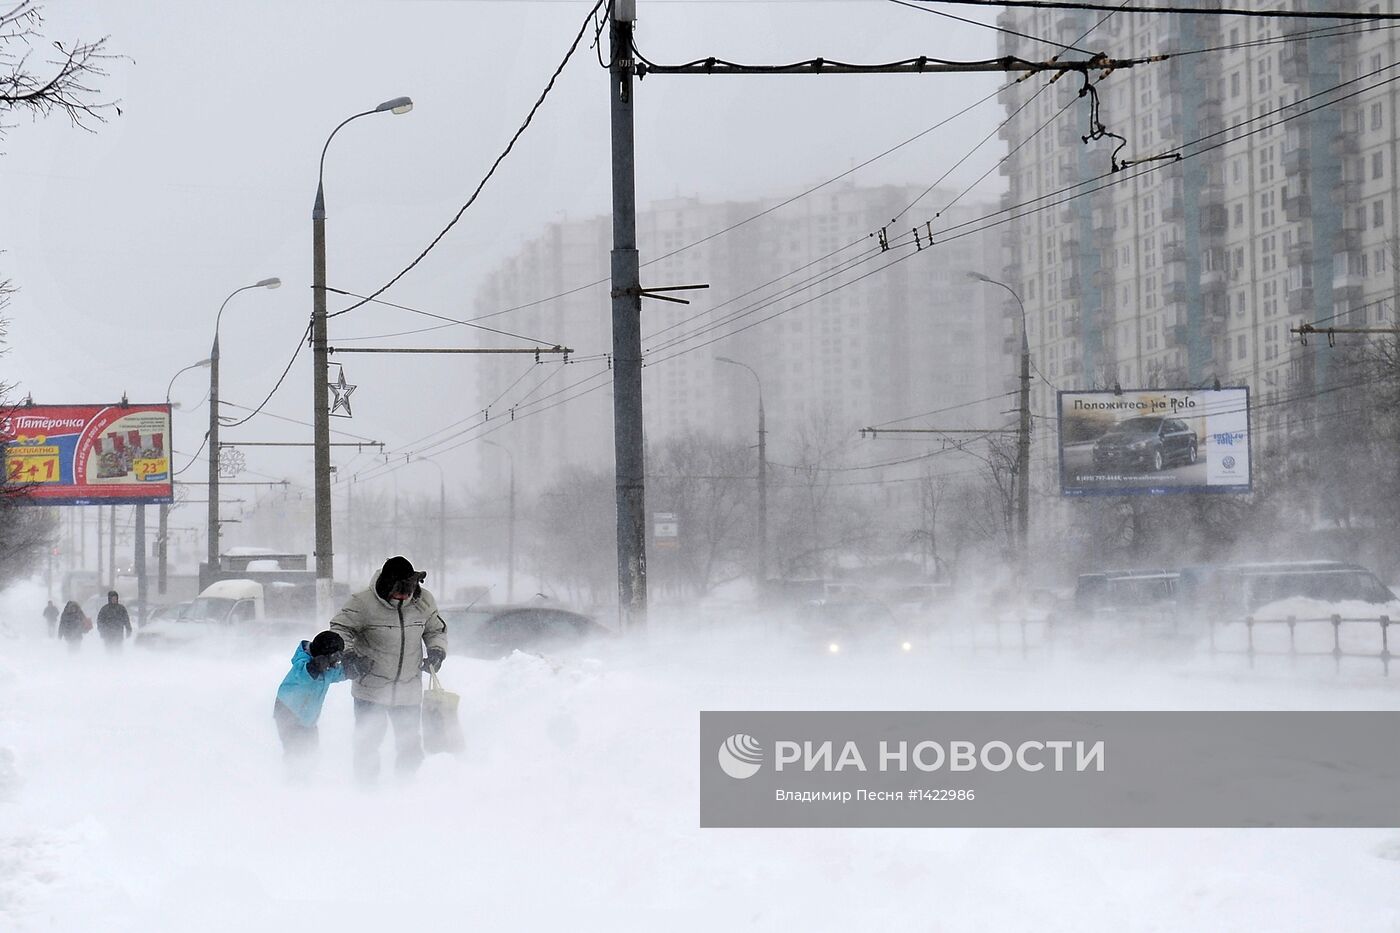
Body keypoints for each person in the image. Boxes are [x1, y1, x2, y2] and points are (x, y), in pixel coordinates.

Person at [330, 556, 447, 784]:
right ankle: (367, 792)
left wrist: (436, 651)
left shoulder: (424, 602)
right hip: (370, 690)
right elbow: (341, 629)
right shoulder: (362, 603)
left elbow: (436, 630)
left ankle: (406, 788)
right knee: (367, 744)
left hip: (408, 691)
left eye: (408, 589)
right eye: (398, 590)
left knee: (410, 746)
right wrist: (350, 656)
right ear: (386, 585)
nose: (404, 595)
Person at [273, 630, 359, 777]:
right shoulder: (302, 664)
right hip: (288, 713)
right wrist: (314, 666)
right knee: (295, 752)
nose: (337, 661)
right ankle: (294, 782)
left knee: (312, 752)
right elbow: (303, 674)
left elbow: (338, 673)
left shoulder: (328, 668)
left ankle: (306, 780)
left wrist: (354, 669)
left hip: (308, 718)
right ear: (324, 655)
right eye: (335, 656)